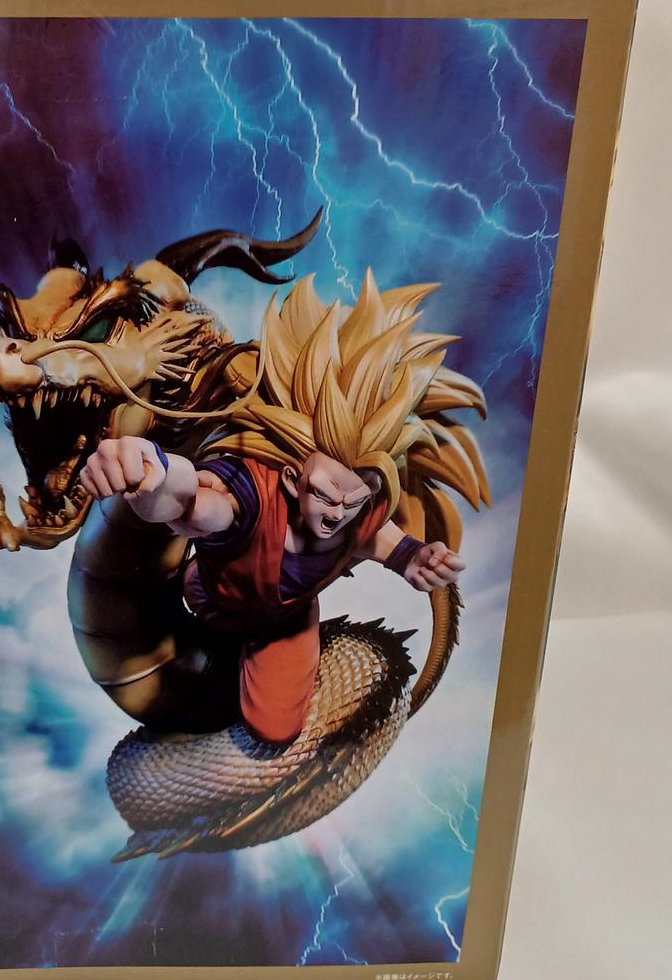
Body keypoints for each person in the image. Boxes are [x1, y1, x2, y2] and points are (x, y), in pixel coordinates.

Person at [78, 272, 482, 744]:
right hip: (210, 596)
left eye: (354, 500)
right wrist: (153, 470)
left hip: (281, 621)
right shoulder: (252, 496)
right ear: (292, 478)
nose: (339, 512)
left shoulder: (360, 509)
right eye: (326, 494)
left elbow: (374, 534)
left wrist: (412, 557)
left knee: (275, 729)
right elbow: (193, 503)